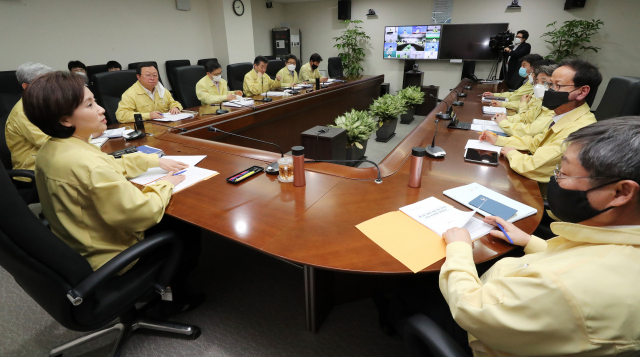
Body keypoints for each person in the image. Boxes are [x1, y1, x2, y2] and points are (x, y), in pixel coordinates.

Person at [439, 118, 640, 356]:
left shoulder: (564, 286)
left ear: (621, 192)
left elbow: (471, 309)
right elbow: (575, 259)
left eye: (563, 173)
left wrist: (459, 248)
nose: (556, 180)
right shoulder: (618, 243)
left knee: (412, 289)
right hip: (515, 303)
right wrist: (529, 241)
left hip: (482, 329)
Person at [23, 71, 203, 315]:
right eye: (89, 104)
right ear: (65, 120)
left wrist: (152, 161)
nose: (100, 109)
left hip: (75, 243)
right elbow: (142, 213)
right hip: (109, 257)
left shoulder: (53, 148)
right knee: (186, 230)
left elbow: (107, 166)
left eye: (95, 101)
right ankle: (173, 300)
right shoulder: (88, 163)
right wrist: (166, 183)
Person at [479, 58, 601, 191]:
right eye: (550, 84)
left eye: (557, 85)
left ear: (582, 92)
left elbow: (532, 166)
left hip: (543, 194)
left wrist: (512, 153)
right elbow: (536, 142)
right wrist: (499, 140)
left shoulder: (578, 130)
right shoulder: (564, 115)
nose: (548, 90)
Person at [4, 62, 53, 173]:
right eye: (44, 83)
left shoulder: (46, 103)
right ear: (26, 87)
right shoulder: (23, 112)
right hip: (32, 170)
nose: (51, 87)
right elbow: (48, 142)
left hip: (51, 161)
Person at [494, 61, 557, 137]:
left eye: (544, 82)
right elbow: (526, 118)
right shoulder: (540, 96)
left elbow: (530, 130)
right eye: (536, 82)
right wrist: (504, 118)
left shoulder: (553, 105)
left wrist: (504, 123)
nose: (531, 74)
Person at [116, 62, 183, 123]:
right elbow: (121, 116)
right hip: (146, 129)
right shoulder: (130, 94)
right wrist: (149, 116)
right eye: (148, 75)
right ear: (138, 77)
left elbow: (173, 102)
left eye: (154, 75)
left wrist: (175, 107)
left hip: (165, 126)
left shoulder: (161, 89)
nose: (152, 78)